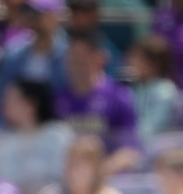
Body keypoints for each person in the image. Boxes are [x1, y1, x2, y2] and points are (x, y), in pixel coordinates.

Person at [55, 32, 139, 171]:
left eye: (82, 59)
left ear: (99, 58)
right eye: (72, 59)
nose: (76, 65)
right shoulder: (59, 100)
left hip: (108, 178)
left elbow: (131, 151)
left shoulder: (118, 96)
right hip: (69, 179)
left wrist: (100, 172)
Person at [0, 80, 73, 194]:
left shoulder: (58, 136)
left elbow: (65, 177)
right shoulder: (3, 141)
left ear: (30, 105)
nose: (4, 104)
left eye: (11, 99)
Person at [126, 35, 181, 145]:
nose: (132, 62)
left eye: (138, 58)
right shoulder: (137, 88)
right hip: (137, 147)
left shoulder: (166, 91)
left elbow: (150, 130)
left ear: (155, 63)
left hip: (162, 150)